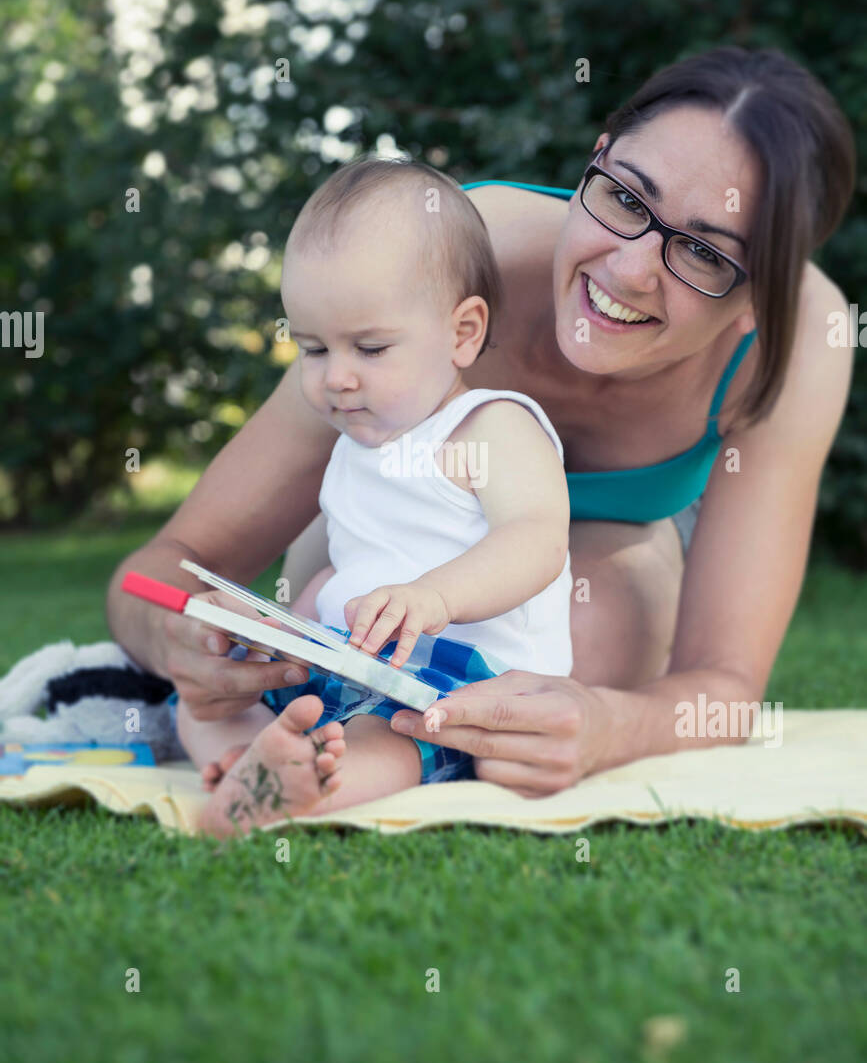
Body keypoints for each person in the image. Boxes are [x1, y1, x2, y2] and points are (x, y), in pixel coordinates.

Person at [107, 46, 856, 802]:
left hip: (593, 575)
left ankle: (358, 762)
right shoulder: (429, 266)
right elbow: (164, 566)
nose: (628, 272)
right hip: (382, 553)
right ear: (596, 160)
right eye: (626, 198)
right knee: (334, 601)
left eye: (701, 251)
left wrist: (609, 726)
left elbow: (723, 682)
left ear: (766, 291)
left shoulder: (797, 345)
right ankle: (290, 754)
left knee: (592, 621)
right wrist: (181, 643)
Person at [173, 158, 573, 835]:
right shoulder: (355, 447)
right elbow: (345, 570)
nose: (337, 379)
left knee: (384, 740)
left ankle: (302, 788)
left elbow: (535, 539)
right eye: (312, 349)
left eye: (369, 347)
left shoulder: (492, 425)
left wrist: (434, 596)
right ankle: (246, 761)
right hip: (352, 662)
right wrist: (280, 630)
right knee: (201, 702)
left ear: (462, 332)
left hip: (462, 683)